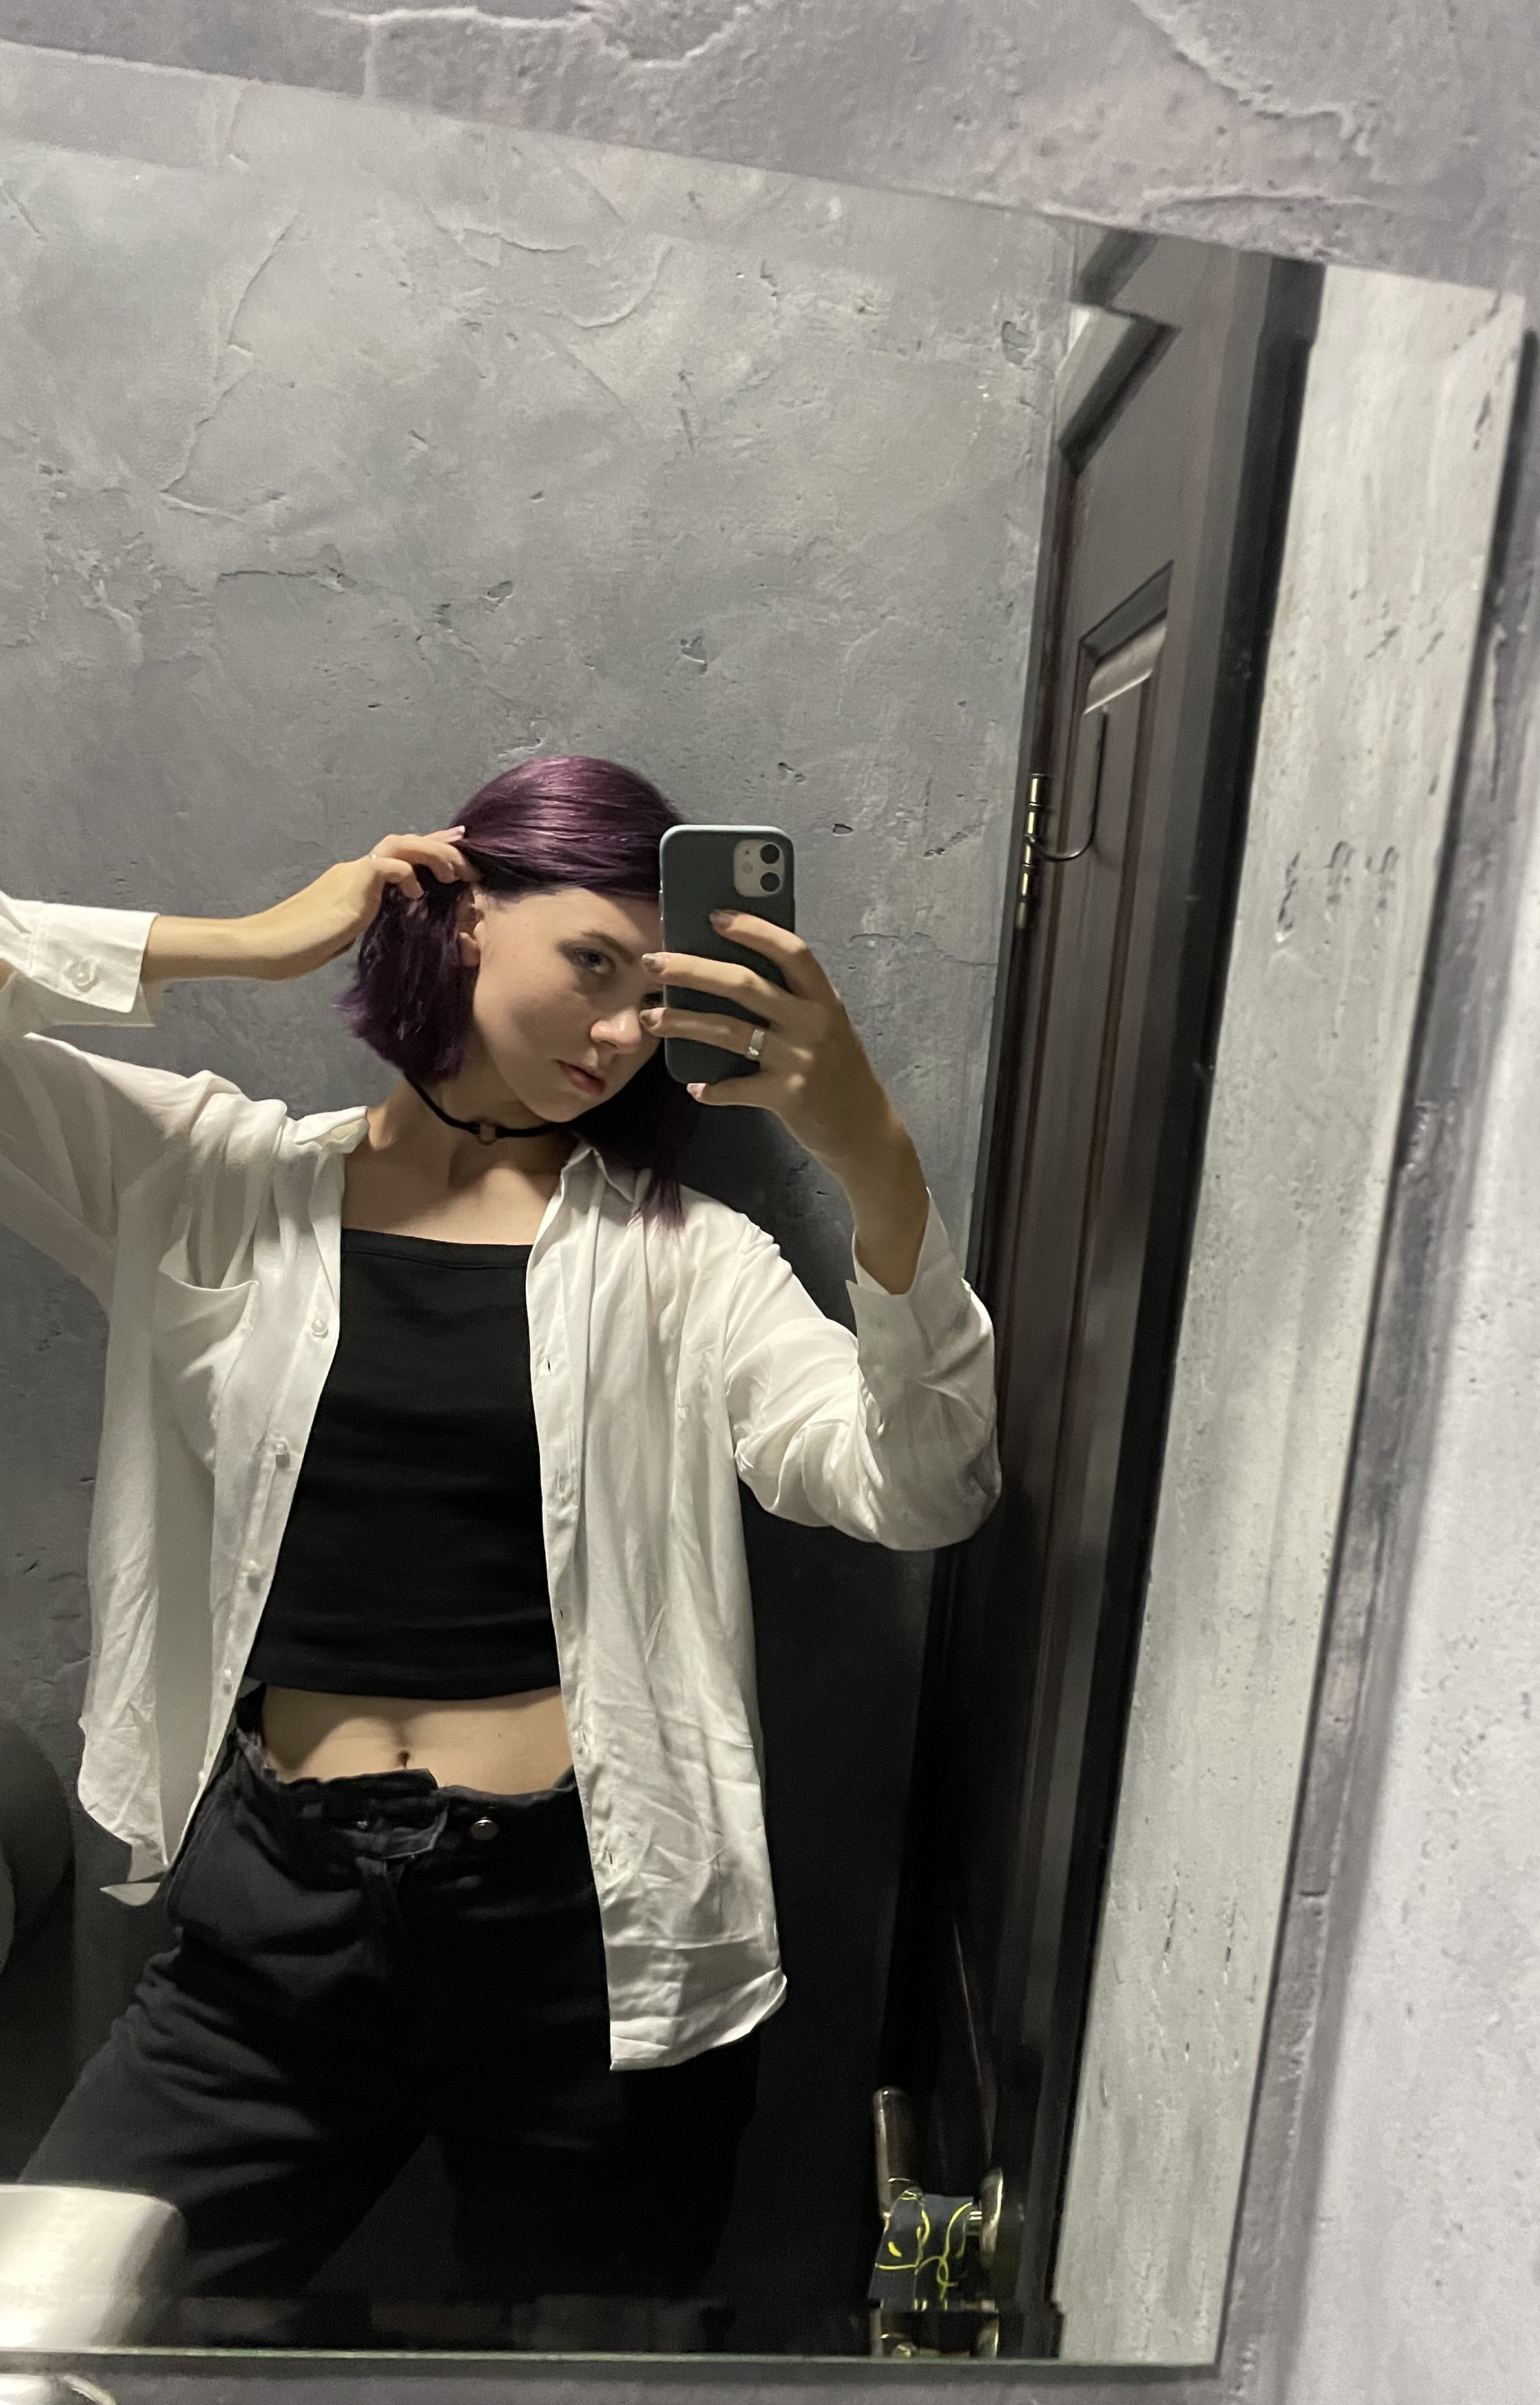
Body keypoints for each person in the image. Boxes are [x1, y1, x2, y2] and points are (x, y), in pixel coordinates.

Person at [0, 753, 1000, 2315]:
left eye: (655, 1002)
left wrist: (870, 1150)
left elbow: (924, 1486)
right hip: (272, 1926)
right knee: (44, 2333)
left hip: (589, 1942)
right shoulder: (211, 1181)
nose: (620, 1036)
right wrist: (246, 943)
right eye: (591, 964)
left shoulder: (690, 1262)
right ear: (457, 910)